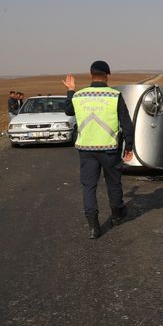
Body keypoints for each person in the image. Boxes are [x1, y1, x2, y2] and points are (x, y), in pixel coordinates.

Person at [63, 61, 134, 239]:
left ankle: (94, 228)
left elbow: (68, 111)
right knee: (113, 183)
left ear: (90, 75)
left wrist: (71, 89)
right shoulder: (114, 95)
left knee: (89, 187)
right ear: (107, 76)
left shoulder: (79, 96)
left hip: (86, 149)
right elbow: (127, 125)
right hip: (110, 149)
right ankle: (117, 216)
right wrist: (129, 147)